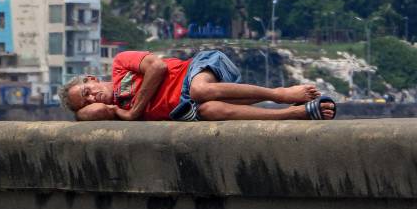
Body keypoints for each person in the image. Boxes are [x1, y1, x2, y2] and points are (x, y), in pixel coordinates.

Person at [60, 50, 336, 121]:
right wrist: (88, 107)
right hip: (191, 106)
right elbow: (85, 115)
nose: (93, 97)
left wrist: (135, 111)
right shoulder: (116, 111)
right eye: (88, 101)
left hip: (200, 69)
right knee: (210, 111)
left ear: (92, 79)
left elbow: (157, 67)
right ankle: (293, 114)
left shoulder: (121, 65)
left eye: (87, 91)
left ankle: (280, 94)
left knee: (200, 91)